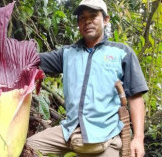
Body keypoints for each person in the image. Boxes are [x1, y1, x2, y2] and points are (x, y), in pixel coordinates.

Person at [26, 0, 148, 156]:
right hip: (69, 131)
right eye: (82, 18)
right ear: (78, 24)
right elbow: (32, 60)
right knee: (27, 148)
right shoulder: (67, 54)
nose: (87, 21)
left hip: (105, 136)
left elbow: (136, 97)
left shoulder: (122, 53)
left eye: (93, 16)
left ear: (106, 19)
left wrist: (138, 138)